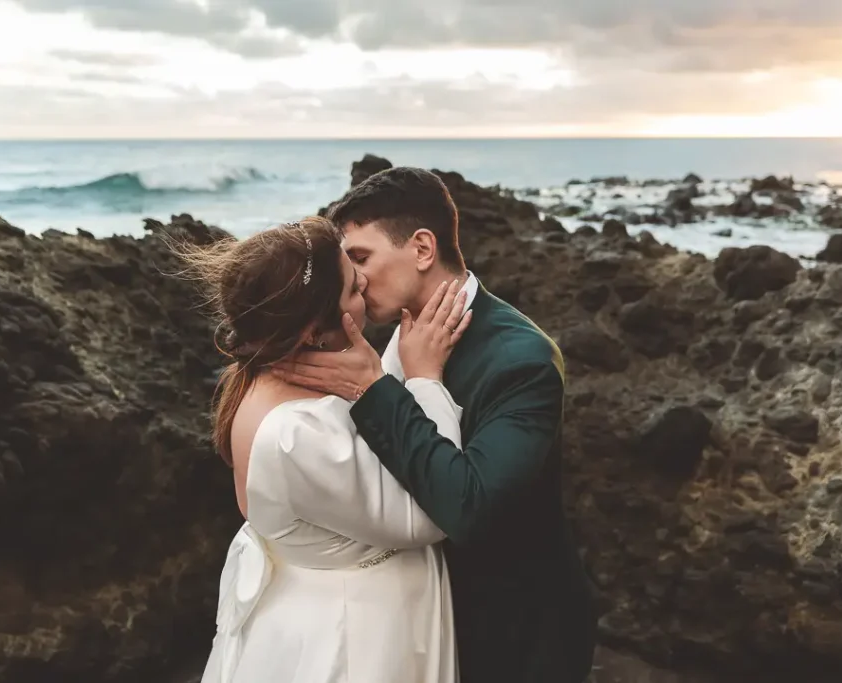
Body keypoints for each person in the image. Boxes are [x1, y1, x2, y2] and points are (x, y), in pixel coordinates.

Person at [274, 168, 598, 683]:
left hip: (516, 639)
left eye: (361, 258)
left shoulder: (522, 360)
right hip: (424, 623)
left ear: (422, 249)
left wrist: (376, 389)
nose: (354, 279)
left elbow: (470, 507)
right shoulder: (393, 334)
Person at [171, 216, 472, 683]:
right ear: (312, 330)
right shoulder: (298, 432)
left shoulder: (260, 377)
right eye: (353, 287)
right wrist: (425, 379)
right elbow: (429, 514)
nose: (366, 283)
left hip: (317, 599)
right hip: (358, 634)